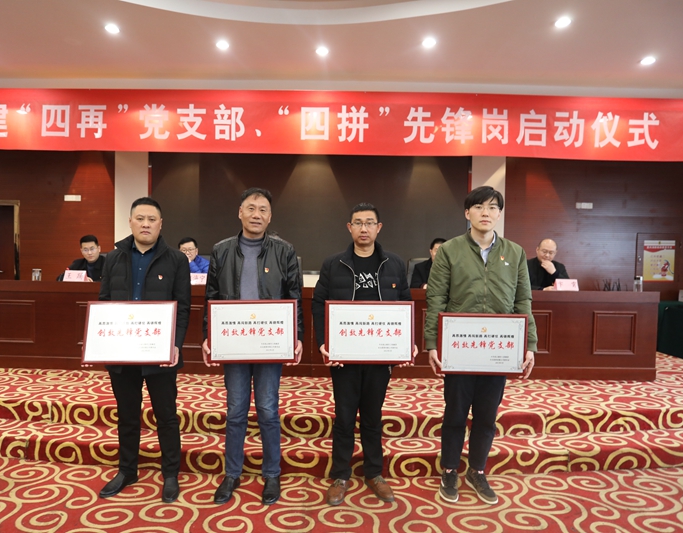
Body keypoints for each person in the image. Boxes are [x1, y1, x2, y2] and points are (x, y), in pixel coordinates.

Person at [425, 186, 536, 506]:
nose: (485, 212)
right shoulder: (450, 251)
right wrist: (432, 343)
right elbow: (436, 298)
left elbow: (523, 300)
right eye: (478, 207)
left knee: (487, 415)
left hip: (498, 348)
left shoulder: (514, 252)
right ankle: (449, 469)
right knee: (455, 413)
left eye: (492, 207)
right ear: (467, 212)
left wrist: (529, 344)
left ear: (499, 213)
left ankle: (477, 470)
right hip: (460, 347)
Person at [201, 187, 304, 506]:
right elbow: (211, 296)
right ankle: (232, 473)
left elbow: (294, 296)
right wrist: (208, 335)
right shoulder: (221, 250)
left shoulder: (284, 251)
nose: (256, 214)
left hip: (269, 343)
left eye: (262, 210)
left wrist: (297, 336)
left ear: (270, 217)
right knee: (235, 411)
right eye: (250, 208)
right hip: (233, 342)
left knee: (268, 410)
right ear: (240, 212)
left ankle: (271, 473)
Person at [312, 202, 418, 506]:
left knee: (373, 416)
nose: (363, 228)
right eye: (358, 223)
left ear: (378, 228)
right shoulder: (333, 263)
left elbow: (405, 304)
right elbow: (319, 303)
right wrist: (323, 342)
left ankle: (374, 473)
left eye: (369, 223)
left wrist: (407, 341)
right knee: (345, 417)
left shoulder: (394, 263)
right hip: (344, 356)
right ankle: (341, 475)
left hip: (379, 355)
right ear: (349, 227)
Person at [97, 197, 191, 503]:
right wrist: (102, 343)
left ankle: (171, 473)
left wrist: (175, 345)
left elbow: (183, 307)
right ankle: (127, 470)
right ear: (130, 222)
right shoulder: (113, 258)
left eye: (152, 219)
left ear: (161, 224)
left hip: (159, 353)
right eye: (140, 218)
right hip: (122, 352)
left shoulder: (176, 260)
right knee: (127, 415)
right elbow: (105, 302)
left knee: (166, 415)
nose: (146, 224)